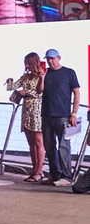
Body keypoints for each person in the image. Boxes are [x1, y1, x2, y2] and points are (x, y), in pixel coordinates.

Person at [41, 48, 81, 184]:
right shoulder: (45, 73)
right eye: (48, 59)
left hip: (63, 115)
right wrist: (41, 77)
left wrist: (74, 113)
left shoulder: (69, 73)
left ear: (59, 58)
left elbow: (76, 93)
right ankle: (55, 175)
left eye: (52, 58)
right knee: (49, 146)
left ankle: (67, 177)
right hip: (47, 115)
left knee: (64, 146)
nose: (50, 61)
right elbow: (39, 90)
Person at [9, 53, 47, 183]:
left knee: (38, 141)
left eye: (29, 63)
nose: (27, 65)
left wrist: (28, 91)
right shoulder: (25, 76)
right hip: (26, 109)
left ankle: (39, 171)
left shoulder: (41, 75)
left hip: (37, 108)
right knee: (31, 143)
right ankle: (35, 169)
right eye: (26, 63)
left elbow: (41, 92)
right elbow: (13, 86)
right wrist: (10, 82)